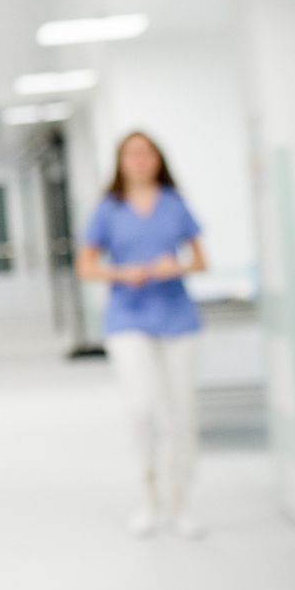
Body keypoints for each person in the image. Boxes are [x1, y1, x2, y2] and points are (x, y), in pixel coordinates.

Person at [75, 130, 211, 539]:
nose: (138, 161)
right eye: (130, 155)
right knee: (141, 410)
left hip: (176, 317)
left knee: (182, 414)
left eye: (146, 154)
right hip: (128, 318)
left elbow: (201, 260)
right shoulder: (107, 210)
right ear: (119, 162)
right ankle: (148, 499)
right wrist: (120, 272)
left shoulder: (175, 205)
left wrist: (177, 267)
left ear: (157, 160)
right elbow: (86, 266)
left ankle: (181, 502)